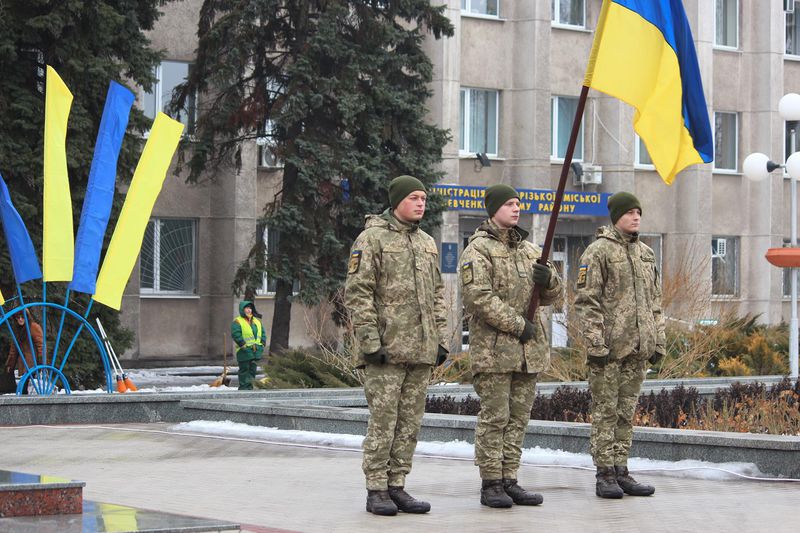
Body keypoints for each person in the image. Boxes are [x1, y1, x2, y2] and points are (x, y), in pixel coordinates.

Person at [345, 175, 448, 516]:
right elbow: (358, 293)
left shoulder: (426, 243)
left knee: (409, 423)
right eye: (415, 197)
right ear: (398, 201)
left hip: (420, 351)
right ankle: (376, 488)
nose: (421, 203)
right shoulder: (371, 239)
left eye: (424, 198)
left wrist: (440, 339)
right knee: (384, 421)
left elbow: (436, 295)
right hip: (385, 352)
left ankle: (397, 485)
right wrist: (370, 341)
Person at [460, 184, 562, 508]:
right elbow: (479, 299)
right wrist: (520, 326)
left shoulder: (531, 251)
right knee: (496, 417)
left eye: (518, 203)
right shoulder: (478, 250)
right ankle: (491, 482)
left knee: (518, 418)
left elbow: (552, 296)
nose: (516, 209)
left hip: (527, 353)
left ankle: (510, 478)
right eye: (508, 204)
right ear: (492, 210)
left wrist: (549, 281)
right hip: (494, 352)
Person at [574, 191, 664, 499]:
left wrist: (658, 340)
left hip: (637, 349)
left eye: (639, 212)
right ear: (616, 217)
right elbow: (587, 302)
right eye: (629, 213)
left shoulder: (646, 254)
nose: (636, 217)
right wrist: (596, 344)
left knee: (626, 412)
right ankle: (605, 473)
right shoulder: (597, 252)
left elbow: (655, 302)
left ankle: (622, 469)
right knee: (605, 411)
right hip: (609, 350)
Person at [5, 309, 44, 395]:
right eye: (18, 317)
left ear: (27, 318)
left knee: (26, 387)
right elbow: (14, 349)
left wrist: (42, 363)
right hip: (22, 363)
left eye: (23, 317)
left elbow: (41, 346)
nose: (20, 319)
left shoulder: (34, 327)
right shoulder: (16, 330)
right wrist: (10, 364)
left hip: (33, 364)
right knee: (22, 388)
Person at [231, 301, 266, 390]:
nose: (249, 310)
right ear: (242, 310)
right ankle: (243, 389)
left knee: (252, 370)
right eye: (246, 308)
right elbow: (236, 334)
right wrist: (243, 345)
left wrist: (262, 343)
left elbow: (262, 333)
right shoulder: (238, 321)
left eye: (250, 308)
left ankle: (249, 389)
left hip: (255, 351)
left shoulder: (257, 321)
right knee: (244, 370)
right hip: (244, 351)